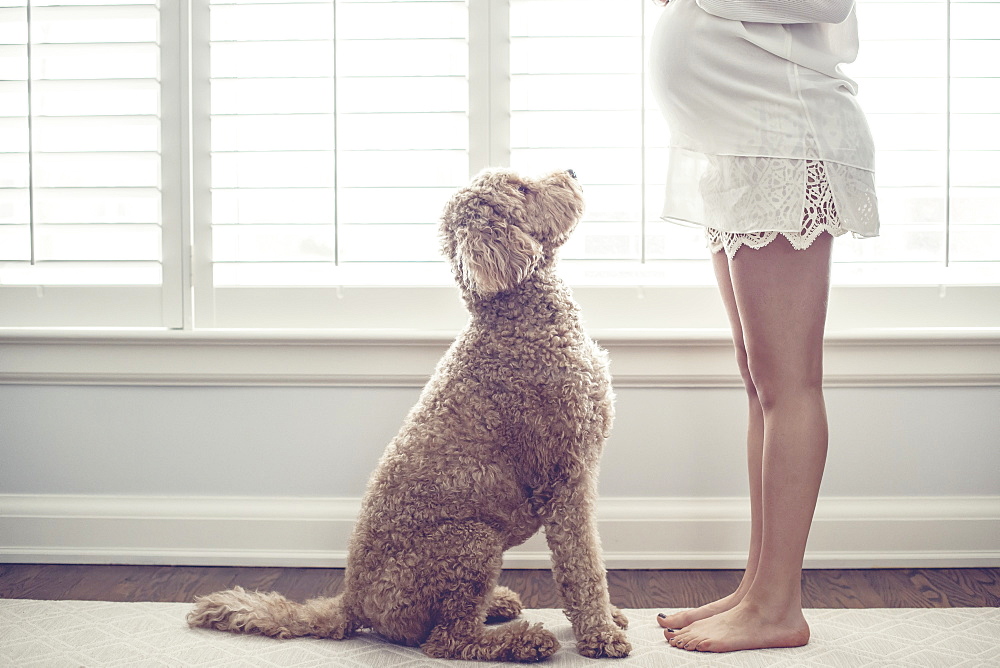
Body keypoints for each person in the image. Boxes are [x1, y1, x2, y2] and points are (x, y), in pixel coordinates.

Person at [648, 0, 880, 653]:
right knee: (760, 382)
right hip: (741, 139)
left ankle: (778, 606)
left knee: (789, 383)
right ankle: (758, 587)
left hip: (781, 133)